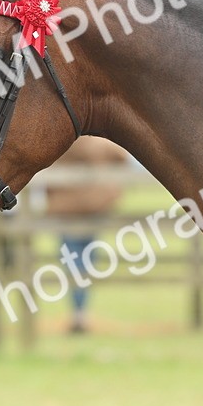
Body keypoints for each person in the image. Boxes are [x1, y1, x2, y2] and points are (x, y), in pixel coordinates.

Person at [47, 136, 130, 333]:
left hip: (65, 212)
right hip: (91, 210)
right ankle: (80, 313)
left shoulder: (59, 143)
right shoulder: (95, 144)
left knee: (73, 262)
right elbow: (121, 156)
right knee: (85, 262)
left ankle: (78, 312)